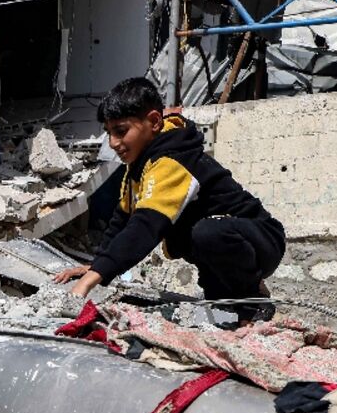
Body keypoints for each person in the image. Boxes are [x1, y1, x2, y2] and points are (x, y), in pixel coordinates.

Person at [54, 77, 285, 323]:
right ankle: (227, 303)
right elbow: (123, 219)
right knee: (218, 307)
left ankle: (253, 302)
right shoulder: (139, 166)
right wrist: (97, 264)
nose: (113, 143)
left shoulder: (172, 161)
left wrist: (89, 283)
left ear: (153, 121)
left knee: (207, 232)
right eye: (109, 133)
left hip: (260, 241)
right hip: (217, 246)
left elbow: (145, 227)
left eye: (121, 131)